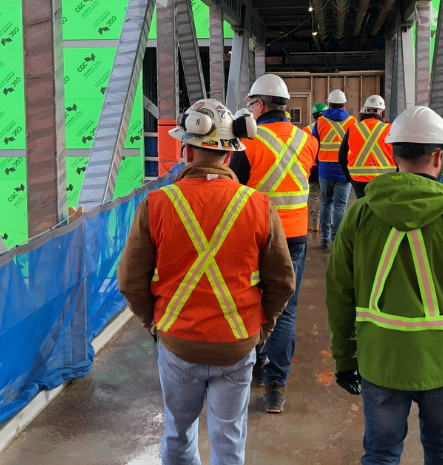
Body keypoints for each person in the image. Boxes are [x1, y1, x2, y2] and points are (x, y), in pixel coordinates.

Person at [325, 105, 443, 465]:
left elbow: (339, 293)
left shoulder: (359, 216)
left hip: (380, 360)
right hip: (441, 364)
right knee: (441, 450)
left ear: (394, 153)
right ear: (439, 157)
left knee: (380, 453)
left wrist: (345, 358)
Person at [117, 98, 296, 465]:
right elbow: (282, 282)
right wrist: (261, 327)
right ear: (229, 156)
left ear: (186, 151)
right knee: (228, 438)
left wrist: (155, 323)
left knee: (178, 432)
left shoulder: (157, 204)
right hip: (238, 342)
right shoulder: (260, 206)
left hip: (178, 341)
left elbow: (131, 280)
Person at [229, 74, 319, 413]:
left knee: (251, 302)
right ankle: (276, 387)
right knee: (285, 309)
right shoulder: (307, 140)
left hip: (254, 235)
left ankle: (253, 368)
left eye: (252, 102)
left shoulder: (247, 143)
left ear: (261, 105)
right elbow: (307, 178)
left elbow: (232, 184)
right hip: (294, 237)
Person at [310, 89, 356, 248]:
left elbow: (314, 144)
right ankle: (336, 239)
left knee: (326, 203)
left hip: (324, 170)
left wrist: (319, 162)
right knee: (340, 206)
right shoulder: (352, 122)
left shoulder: (320, 122)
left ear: (329, 104)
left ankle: (324, 237)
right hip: (344, 171)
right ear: (344, 105)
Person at [339, 94, 396, 199]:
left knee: (363, 208)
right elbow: (399, 155)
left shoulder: (353, 129)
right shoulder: (390, 129)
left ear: (365, 111)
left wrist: (349, 177)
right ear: (381, 112)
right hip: (384, 180)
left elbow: (342, 156)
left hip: (359, 181)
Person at [304, 103, 326, 233]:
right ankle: (328, 221)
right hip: (327, 165)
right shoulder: (330, 128)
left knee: (314, 196)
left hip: (312, 167)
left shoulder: (306, 130)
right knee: (327, 197)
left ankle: (314, 224)